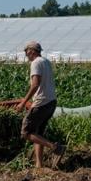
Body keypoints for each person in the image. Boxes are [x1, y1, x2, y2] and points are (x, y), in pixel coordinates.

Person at [17, 40, 64, 168]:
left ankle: (55, 147)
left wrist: (23, 103)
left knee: (26, 133)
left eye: (26, 52)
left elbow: (35, 84)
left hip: (42, 103)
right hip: (51, 102)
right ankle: (39, 165)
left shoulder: (36, 63)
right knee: (38, 133)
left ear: (32, 51)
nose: (26, 54)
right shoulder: (46, 62)